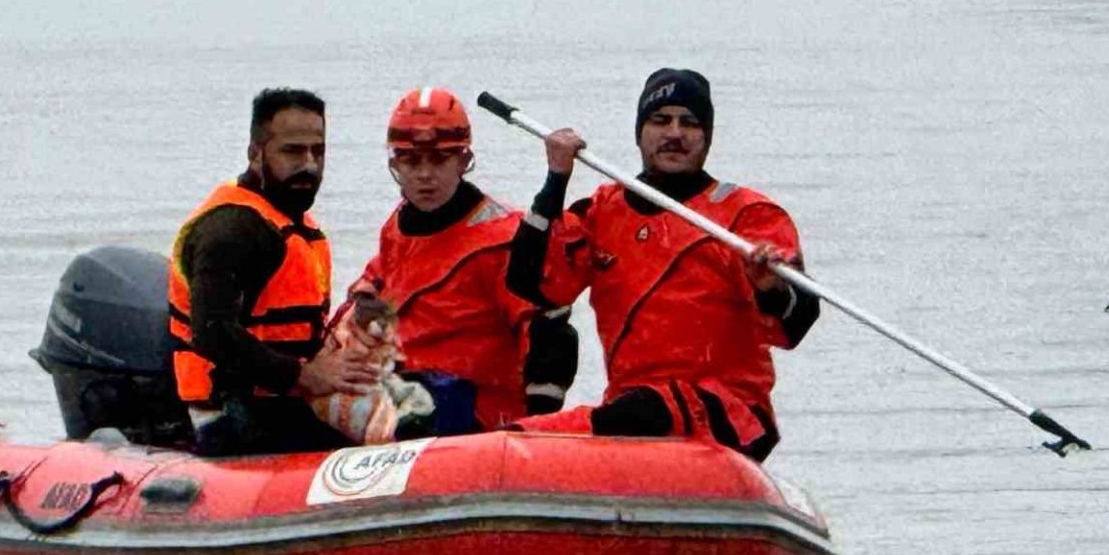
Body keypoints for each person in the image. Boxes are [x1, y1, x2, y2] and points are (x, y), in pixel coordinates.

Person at [505, 68, 820, 461]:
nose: (675, 133)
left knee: (641, 409)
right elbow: (530, 282)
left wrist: (769, 287)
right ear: (640, 132)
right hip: (633, 409)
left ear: (707, 137)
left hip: (727, 411)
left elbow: (796, 324)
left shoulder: (748, 216)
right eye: (661, 120)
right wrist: (556, 181)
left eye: (689, 123)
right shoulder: (603, 211)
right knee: (532, 434)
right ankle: (521, 450)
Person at [346, 86, 577, 436]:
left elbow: (548, 336)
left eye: (439, 159)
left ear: (463, 160)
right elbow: (375, 286)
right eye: (411, 160)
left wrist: (537, 424)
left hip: (477, 410)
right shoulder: (397, 229)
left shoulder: (505, 239)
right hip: (406, 391)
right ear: (395, 164)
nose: (425, 174)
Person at [168, 88, 372, 456]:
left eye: (318, 151)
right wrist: (303, 376)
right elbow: (212, 333)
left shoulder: (294, 224)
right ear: (255, 153)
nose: (309, 165)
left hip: (284, 400)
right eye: (292, 151)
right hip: (230, 410)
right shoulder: (229, 229)